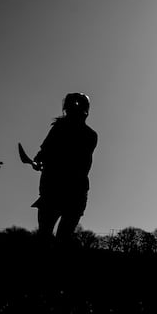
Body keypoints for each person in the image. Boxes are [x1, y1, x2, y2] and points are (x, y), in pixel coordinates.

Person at [31, 92, 98, 240]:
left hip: (64, 191)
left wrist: (41, 160)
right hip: (64, 191)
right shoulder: (86, 134)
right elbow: (45, 151)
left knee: (52, 236)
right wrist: (39, 160)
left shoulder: (85, 134)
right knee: (51, 236)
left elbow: (49, 152)